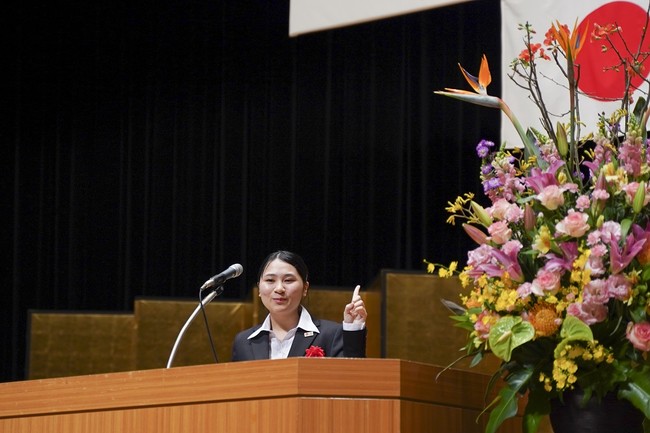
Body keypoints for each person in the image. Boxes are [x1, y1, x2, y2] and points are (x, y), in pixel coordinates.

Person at [231, 250, 367, 361]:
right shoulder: (243, 341)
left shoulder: (330, 334)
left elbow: (352, 379)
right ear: (259, 288)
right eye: (270, 280)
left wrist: (353, 329)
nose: (279, 288)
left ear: (305, 288)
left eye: (288, 280)